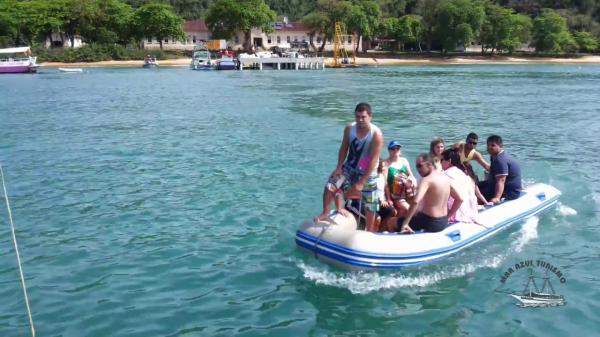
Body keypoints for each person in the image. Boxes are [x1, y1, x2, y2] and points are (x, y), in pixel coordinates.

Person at [315, 102, 384, 232]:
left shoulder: (376, 134)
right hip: (350, 166)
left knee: (371, 202)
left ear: (370, 116)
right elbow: (344, 148)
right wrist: (339, 166)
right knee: (331, 185)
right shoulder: (349, 129)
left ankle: (369, 230)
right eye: (357, 117)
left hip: (368, 170)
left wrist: (362, 181)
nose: (360, 120)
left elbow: (374, 159)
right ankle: (326, 212)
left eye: (363, 117)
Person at [399, 153, 463, 233]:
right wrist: (447, 217)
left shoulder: (427, 180)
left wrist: (405, 223)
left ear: (429, 164)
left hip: (429, 222)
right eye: (416, 167)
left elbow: (416, 201)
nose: (418, 169)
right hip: (442, 222)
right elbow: (460, 199)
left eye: (420, 166)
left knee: (392, 222)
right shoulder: (445, 178)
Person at [441, 149, 484, 224]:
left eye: (442, 160)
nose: (440, 163)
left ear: (449, 161)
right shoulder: (464, 175)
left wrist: (447, 216)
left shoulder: (445, 175)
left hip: (456, 216)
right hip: (470, 213)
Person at [478, 135, 522, 204]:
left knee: (476, 193)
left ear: (500, 146)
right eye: (488, 145)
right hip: (496, 184)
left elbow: (501, 180)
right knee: (475, 186)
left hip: (510, 192)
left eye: (493, 145)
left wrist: (497, 197)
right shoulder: (494, 156)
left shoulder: (500, 160)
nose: (489, 147)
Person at [384, 140, 416, 218]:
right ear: (389, 150)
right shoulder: (386, 163)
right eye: (393, 149)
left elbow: (411, 176)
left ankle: (396, 227)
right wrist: (388, 198)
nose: (395, 150)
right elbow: (385, 183)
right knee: (409, 209)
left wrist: (414, 183)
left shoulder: (404, 161)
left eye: (397, 148)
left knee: (402, 212)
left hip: (407, 191)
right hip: (395, 195)